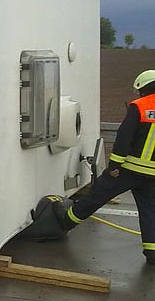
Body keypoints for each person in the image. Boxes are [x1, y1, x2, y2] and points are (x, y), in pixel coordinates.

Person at [55, 69, 155, 265]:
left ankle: (66, 220)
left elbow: (124, 137)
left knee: (98, 194)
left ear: (143, 88)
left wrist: (115, 164)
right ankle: (152, 252)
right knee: (150, 210)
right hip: (152, 174)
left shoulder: (140, 106)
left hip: (129, 169)